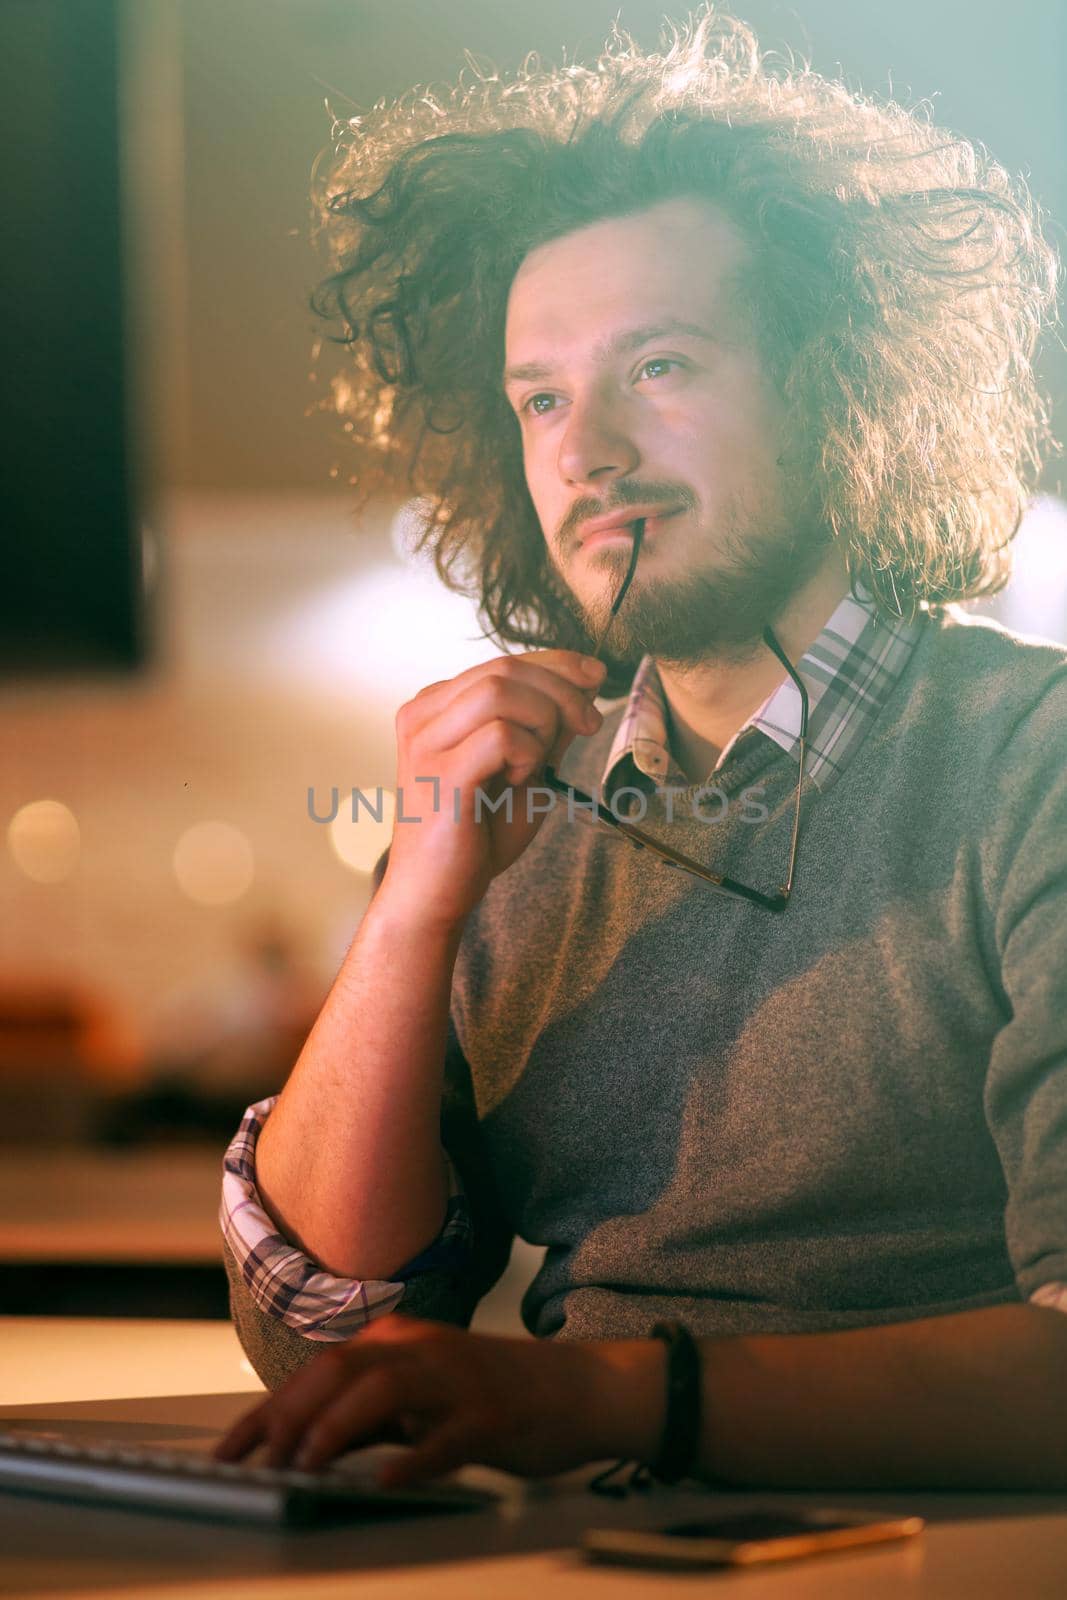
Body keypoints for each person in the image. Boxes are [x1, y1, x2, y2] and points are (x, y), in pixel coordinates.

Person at [214, 8, 1067, 1492]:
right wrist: (421, 895)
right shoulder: (515, 823)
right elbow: (322, 1335)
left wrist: (604, 1402)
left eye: (657, 366)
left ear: (839, 382)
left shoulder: (1032, 761)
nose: (583, 451)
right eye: (540, 398)